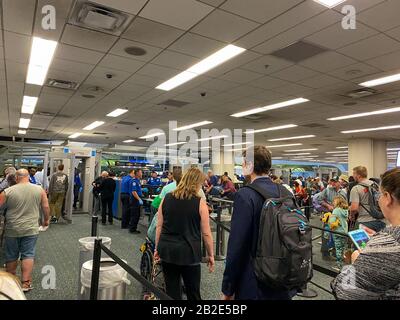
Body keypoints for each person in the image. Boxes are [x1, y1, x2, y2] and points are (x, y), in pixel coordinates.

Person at [222, 146, 296, 300]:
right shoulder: (286, 192)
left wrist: (228, 288)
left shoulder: (245, 195)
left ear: (250, 165)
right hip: (283, 275)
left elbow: (237, 246)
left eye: (243, 163)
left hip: (255, 281)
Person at [332, 168, 400, 300]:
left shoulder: (391, 242)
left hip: (364, 221)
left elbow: (346, 292)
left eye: (380, 195)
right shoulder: (390, 241)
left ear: (387, 197)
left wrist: (356, 261)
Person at [154, 167, 214, 300]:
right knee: (193, 292)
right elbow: (206, 233)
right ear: (196, 183)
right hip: (189, 252)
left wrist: (157, 248)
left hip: (168, 250)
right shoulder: (200, 203)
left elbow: (159, 226)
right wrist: (211, 255)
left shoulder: (167, 198)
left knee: (171, 292)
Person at [0, 169, 50, 292]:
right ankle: (26, 283)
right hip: (31, 228)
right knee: (28, 254)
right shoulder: (39, 189)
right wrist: (46, 220)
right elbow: (45, 206)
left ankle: (11, 283)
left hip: (12, 228)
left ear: (16, 177)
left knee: (11, 255)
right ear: (28, 177)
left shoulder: (7, 191)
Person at [350, 166, 386, 232]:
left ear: (358, 175)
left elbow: (354, 208)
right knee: (379, 241)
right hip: (381, 221)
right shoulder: (376, 185)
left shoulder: (356, 188)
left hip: (364, 222)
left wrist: (351, 215)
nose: (353, 175)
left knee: (362, 242)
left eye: (354, 173)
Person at [328, 196, 349, 271]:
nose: (333, 203)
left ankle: (339, 266)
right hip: (344, 232)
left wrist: (328, 219)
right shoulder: (345, 210)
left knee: (338, 249)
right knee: (343, 248)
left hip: (337, 232)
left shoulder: (336, 210)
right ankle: (344, 264)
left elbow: (331, 221)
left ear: (337, 202)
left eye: (334, 201)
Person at [129, 169, 143, 234]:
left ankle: (134, 228)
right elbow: (134, 192)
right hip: (135, 200)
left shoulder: (138, 181)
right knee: (134, 215)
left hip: (137, 199)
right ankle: (132, 229)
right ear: (137, 173)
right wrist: (139, 199)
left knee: (137, 215)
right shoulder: (134, 181)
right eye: (141, 172)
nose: (142, 173)